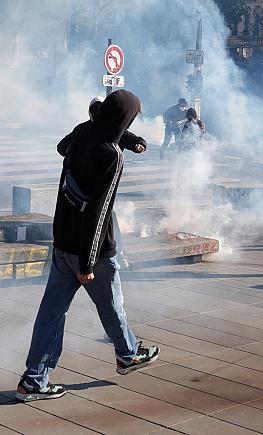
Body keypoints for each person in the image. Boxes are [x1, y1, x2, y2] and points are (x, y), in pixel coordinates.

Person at [16, 90, 160, 403]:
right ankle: (127, 354)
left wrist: (106, 125)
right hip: (91, 253)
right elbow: (99, 210)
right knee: (111, 304)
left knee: (50, 315)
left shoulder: (83, 135)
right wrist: (87, 263)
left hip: (63, 241)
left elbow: (63, 145)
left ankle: (34, 379)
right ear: (124, 120)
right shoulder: (111, 155)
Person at [57, 97, 148, 269]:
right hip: (82, 187)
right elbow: (62, 147)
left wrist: (139, 144)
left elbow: (134, 139)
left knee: (106, 220)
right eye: (95, 110)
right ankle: (87, 255)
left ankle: (117, 254)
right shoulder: (83, 129)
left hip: (101, 187)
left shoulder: (114, 129)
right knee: (96, 218)